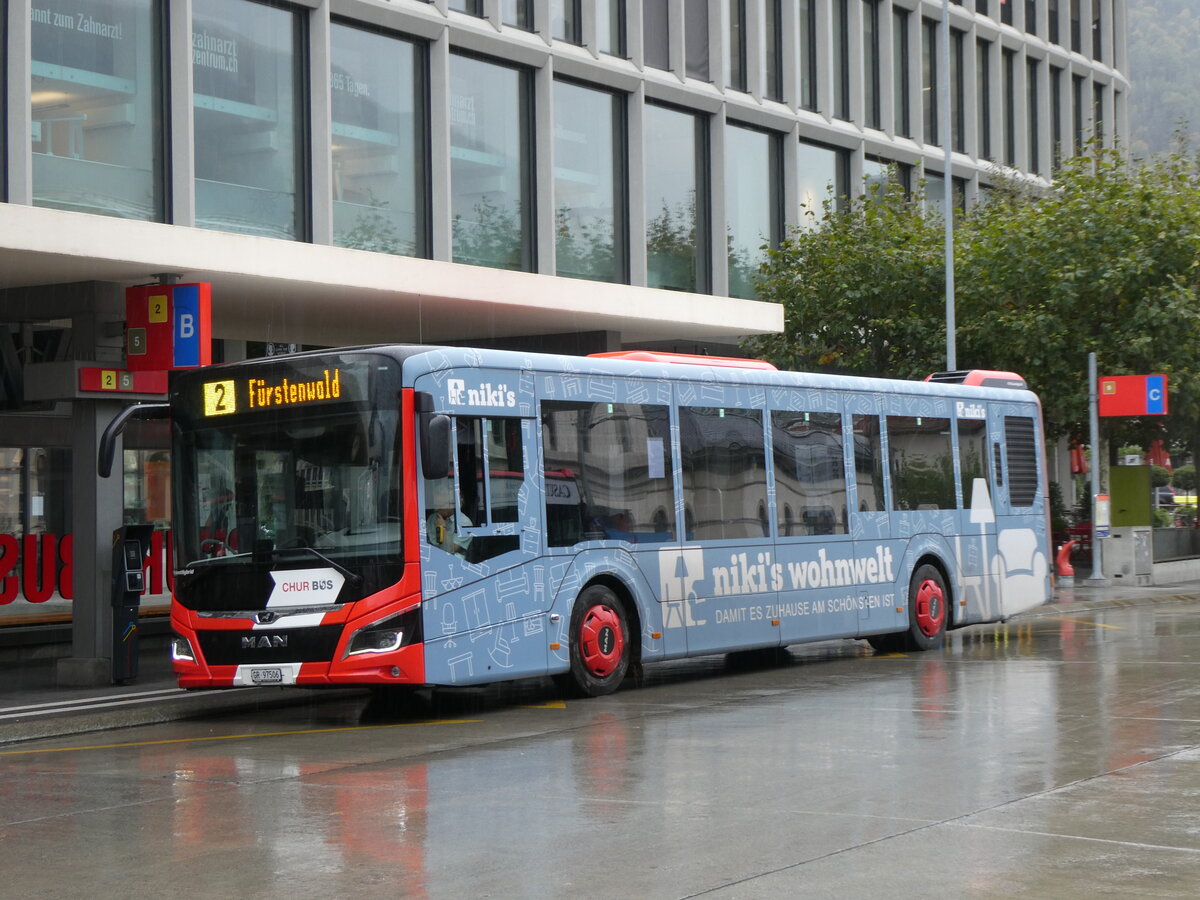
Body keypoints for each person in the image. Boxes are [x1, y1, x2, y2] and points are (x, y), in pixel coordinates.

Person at [426, 476, 472, 557]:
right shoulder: (432, 518)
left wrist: (442, 528)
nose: (437, 509)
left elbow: (450, 550)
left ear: (452, 504)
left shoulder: (464, 522)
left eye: (441, 505)